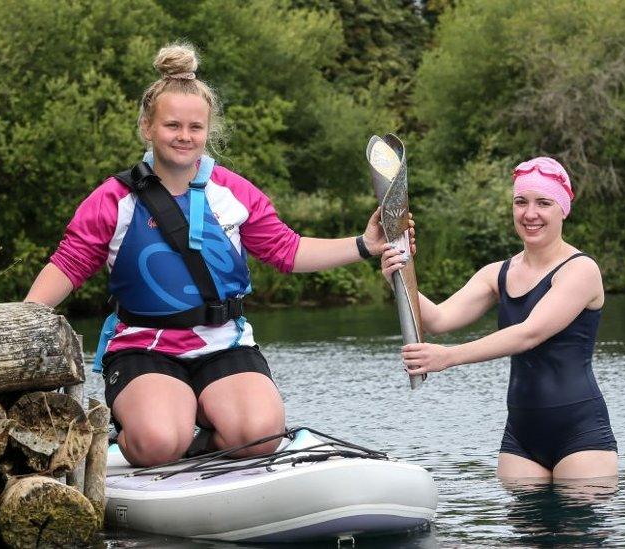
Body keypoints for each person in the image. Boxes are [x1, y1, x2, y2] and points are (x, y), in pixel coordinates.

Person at [25, 42, 406, 467]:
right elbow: (69, 264)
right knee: (157, 440)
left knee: (260, 436)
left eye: (195, 127)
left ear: (207, 131)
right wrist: (22, 321)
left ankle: (202, 440)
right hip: (143, 346)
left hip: (223, 343)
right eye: (172, 125)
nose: (184, 136)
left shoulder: (234, 192)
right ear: (147, 127)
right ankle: (144, 439)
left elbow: (288, 250)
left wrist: (365, 244)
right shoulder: (113, 199)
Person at [380, 156, 617, 480]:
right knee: (521, 532)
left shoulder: (581, 270)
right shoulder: (497, 274)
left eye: (543, 203)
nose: (530, 213)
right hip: (520, 438)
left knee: (576, 531)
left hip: (581, 435)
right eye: (521, 202)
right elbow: (438, 318)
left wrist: (447, 356)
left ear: (563, 209)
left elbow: (529, 333)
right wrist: (398, 274)